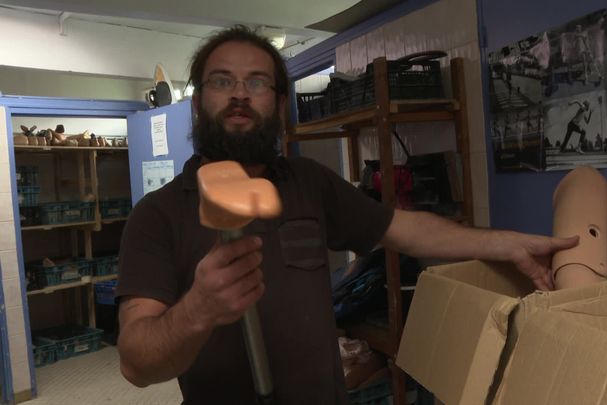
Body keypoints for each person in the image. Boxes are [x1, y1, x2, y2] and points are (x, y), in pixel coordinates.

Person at [115, 25, 579, 405]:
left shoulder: (309, 183)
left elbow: (404, 230)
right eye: (222, 81)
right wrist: (197, 310)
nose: (239, 94)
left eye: (256, 82)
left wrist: (509, 243)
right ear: (197, 104)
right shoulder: (157, 217)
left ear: (279, 105)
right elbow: (136, 363)